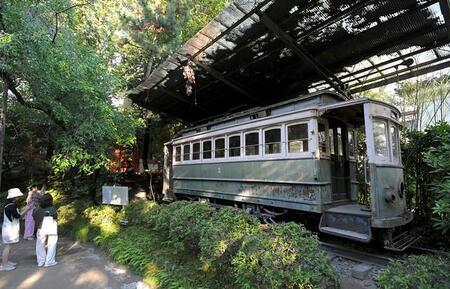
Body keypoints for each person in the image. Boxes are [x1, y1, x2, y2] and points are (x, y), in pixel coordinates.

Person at [1, 188, 28, 271]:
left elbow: (16, 215)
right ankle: (3, 265)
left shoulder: (10, 205)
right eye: (17, 196)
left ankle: (6, 262)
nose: (18, 198)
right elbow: (17, 216)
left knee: (10, 246)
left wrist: (24, 210)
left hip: (9, 228)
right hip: (9, 229)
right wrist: (27, 209)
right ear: (14, 197)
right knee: (8, 247)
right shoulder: (11, 206)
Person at [33, 193, 58, 267]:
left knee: (40, 244)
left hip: (41, 227)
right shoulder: (52, 208)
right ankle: (49, 261)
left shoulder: (37, 209)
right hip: (51, 226)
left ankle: (41, 261)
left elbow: (34, 217)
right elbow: (55, 216)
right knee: (52, 244)